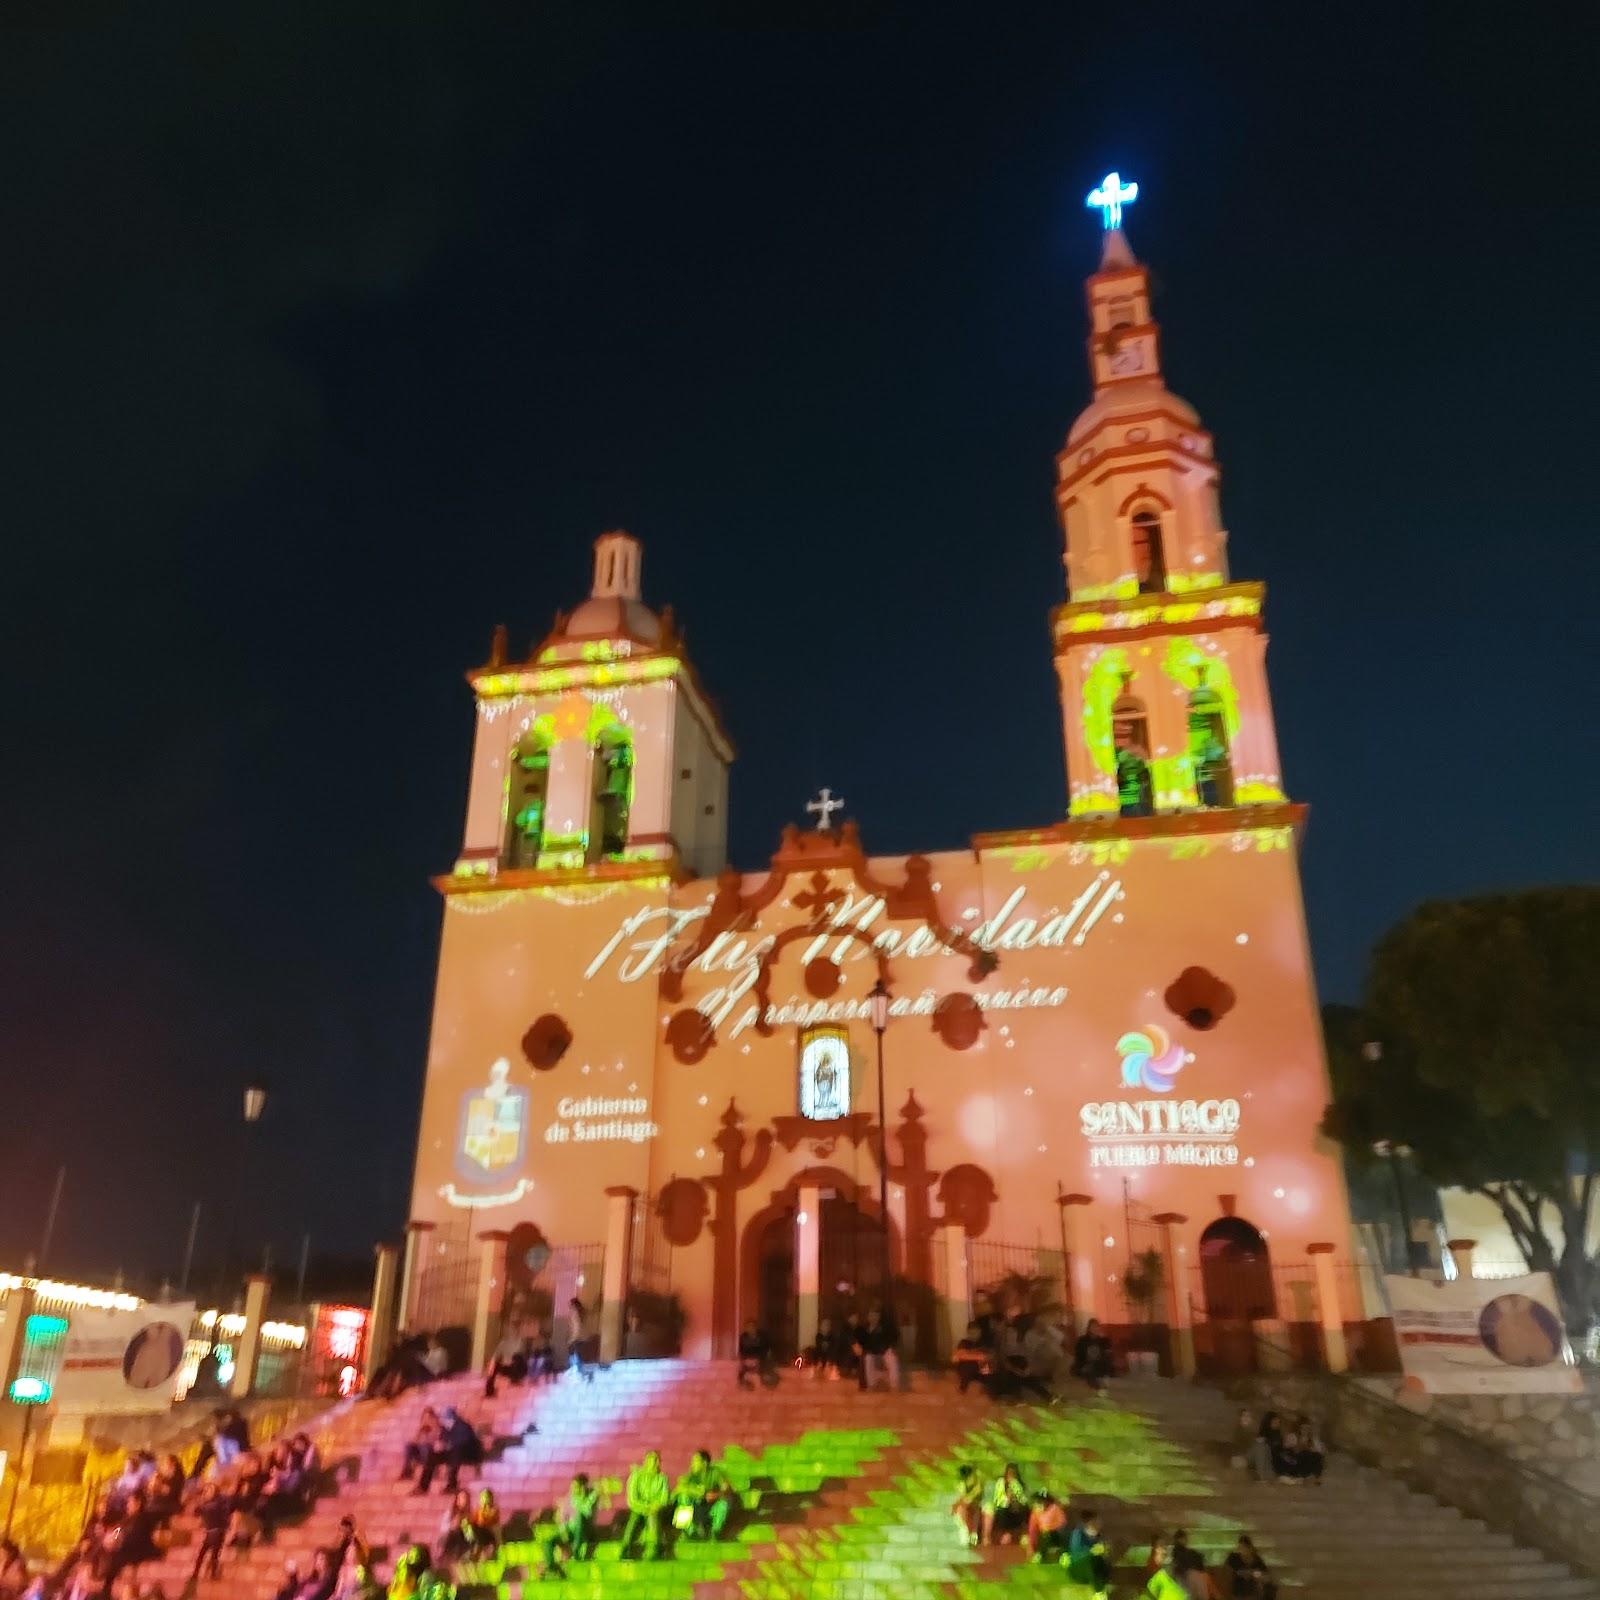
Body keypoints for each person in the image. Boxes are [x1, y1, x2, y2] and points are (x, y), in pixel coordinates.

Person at [538, 1474, 603, 1578]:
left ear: (583, 1487)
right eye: (572, 1486)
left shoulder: (593, 1495)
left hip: (586, 1531)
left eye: (576, 1487)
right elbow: (563, 1516)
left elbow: (587, 1512)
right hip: (571, 1530)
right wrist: (563, 1530)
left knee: (579, 1516)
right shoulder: (570, 1497)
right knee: (548, 1541)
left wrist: (581, 1497)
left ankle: (576, 1551)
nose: (573, 1489)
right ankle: (552, 1567)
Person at [414, 1408, 484, 1494]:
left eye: (443, 1419)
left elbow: (463, 1442)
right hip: (452, 1453)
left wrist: (446, 1445)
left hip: (467, 1454)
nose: (441, 1421)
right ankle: (422, 1487)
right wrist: (440, 1445)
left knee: (456, 1452)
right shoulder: (445, 1429)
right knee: (432, 1456)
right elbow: (444, 1441)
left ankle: (452, 1485)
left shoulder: (462, 1426)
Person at [619, 1449, 670, 1559]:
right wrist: (645, 1507)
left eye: (658, 1460)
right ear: (646, 1462)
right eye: (654, 1460)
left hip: (655, 1509)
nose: (657, 1463)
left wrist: (654, 1507)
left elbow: (664, 1498)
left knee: (653, 1517)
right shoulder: (636, 1476)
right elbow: (632, 1499)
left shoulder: (662, 1478)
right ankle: (625, 1548)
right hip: (638, 1508)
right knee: (634, 1518)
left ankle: (654, 1549)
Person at [673, 1449, 731, 1541]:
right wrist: (697, 1492)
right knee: (682, 1497)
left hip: (711, 1507)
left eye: (695, 1461)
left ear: (704, 1463)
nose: (692, 1464)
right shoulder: (691, 1475)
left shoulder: (715, 1473)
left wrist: (716, 1495)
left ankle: (715, 1532)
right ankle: (689, 1531)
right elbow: (680, 1488)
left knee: (724, 1503)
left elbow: (727, 1489)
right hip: (696, 1508)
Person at [189, 1482, 233, 1585]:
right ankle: (197, 1573)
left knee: (213, 1554)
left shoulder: (218, 1503)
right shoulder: (205, 1503)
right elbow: (196, 1512)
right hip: (209, 1531)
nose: (207, 1492)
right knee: (203, 1554)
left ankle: (212, 1573)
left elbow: (218, 1512)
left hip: (217, 1531)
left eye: (210, 1490)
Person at [1065, 1507, 1109, 1595]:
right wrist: (1092, 1551)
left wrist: (1104, 1551)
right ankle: (1099, 1592)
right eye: (1096, 1521)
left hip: (1093, 1573)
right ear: (1089, 1523)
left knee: (1100, 1563)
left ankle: (1100, 1589)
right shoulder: (1078, 1534)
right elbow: (1077, 1554)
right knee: (1090, 1561)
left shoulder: (1097, 1536)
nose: (1100, 1523)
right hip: (1078, 1571)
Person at [857, 1304, 900, 1392]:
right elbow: (863, 1345)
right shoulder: (864, 1329)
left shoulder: (884, 1328)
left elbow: (891, 1340)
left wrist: (887, 1349)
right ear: (868, 1316)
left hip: (884, 1353)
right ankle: (871, 1385)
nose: (873, 1318)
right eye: (871, 1315)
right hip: (871, 1354)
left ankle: (894, 1385)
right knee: (868, 1358)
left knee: (891, 1357)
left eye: (876, 1315)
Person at [983, 1463, 1029, 1545]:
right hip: (1003, 1509)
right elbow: (998, 1500)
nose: (1011, 1476)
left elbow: (1024, 1500)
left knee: (1024, 1509)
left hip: (1016, 1509)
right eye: (1009, 1473)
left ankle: (1024, 1535)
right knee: (1000, 1510)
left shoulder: (1018, 1484)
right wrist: (1007, 1498)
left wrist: (1016, 1498)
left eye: (1013, 1473)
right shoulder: (1001, 1483)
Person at [271, 1546, 341, 1600]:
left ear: (327, 1560)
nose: (318, 1562)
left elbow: (321, 1595)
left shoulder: (328, 1582)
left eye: (321, 1559)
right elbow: (296, 1588)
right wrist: (293, 1574)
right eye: (316, 1559)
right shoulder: (310, 1579)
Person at [1225, 1535, 1277, 1600]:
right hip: (1238, 1590)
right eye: (1241, 1547)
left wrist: (1254, 1574)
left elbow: (1264, 1575)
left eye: (1245, 1548)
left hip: (1253, 1591)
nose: (1242, 1551)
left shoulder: (1256, 1559)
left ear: (1250, 1548)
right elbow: (1234, 1571)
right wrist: (1252, 1573)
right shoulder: (1234, 1557)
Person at [483, 1323, 527, 1398]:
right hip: (506, 1366)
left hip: (517, 1368)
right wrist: (491, 1365)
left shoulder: (520, 1343)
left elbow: (521, 1357)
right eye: (508, 1330)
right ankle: (490, 1391)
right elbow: (495, 1356)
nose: (509, 1332)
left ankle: (515, 1378)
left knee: (517, 1357)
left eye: (512, 1331)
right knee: (494, 1364)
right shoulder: (502, 1343)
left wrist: (511, 1360)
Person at [1028, 1491, 1071, 1566]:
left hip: (1057, 1535)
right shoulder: (1035, 1513)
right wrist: (1032, 1548)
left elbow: (1063, 1524)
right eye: (1037, 1502)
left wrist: (1049, 1528)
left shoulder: (1055, 1509)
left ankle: (1064, 1555)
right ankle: (1040, 1554)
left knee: (1052, 1534)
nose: (1039, 1505)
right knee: (1043, 1535)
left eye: (1041, 1502)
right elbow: (1032, 1530)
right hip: (1044, 1537)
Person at [1072, 1318, 1113, 1393]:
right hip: (1086, 1364)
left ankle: (1101, 1382)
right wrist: (1082, 1365)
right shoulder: (1082, 1340)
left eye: (1096, 1326)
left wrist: (1103, 1339)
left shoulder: (1104, 1340)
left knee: (1103, 1363)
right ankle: (1098, 1387)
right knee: (1088, 1370)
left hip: (1099, 1363)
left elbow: (1108, 1353)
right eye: (1092, 1327)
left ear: (1099, 1328)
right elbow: (1078, 1355)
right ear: (1088, 1328)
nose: (1095, 1328)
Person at [399, 1408, 440, 1482]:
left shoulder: (437, 1428)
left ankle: (431, 1472)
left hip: (431, 1454)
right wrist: (420, 1432)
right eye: (425, 1417)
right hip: (421, 1453)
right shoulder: (422, 1429)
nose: (426, 1420)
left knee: (425, 1446)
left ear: (433, 1418)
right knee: (409, 1446)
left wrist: (431, 1430)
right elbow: (415, 1441)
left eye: (429, 1418)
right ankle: (408, 1472)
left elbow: (437, 1443)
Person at [952, 1322, 992, 1394]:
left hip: (980, 1371)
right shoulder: (964, 1342)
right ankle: (963, 1388)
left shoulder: (983, 1343)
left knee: (986, 1365)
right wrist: (978, 1357)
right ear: (968, 1332)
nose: (975, 1333)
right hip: (966, 1370)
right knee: (968, 1364)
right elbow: (960, 1356)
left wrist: (983, 1358)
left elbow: (988, 1356)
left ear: (980, 1331)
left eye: (977, 1331)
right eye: (972, 1331)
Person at [437, 1490, 474, 1562]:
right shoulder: (450, 1513)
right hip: (451, 1537)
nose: (465, 1501)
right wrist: (454, 1524)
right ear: (457, 1500)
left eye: (466, 1498)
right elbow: (444, 1529)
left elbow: (470, 1534)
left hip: (465, 1538)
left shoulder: (471, 1515)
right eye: (462, 1498)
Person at [950, 1465, 982, 1546]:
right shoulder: (962, 1486)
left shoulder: (974, 1485)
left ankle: (973, 1534)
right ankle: (968, 1535)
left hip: (971, 1512)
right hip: (961, 1513)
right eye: (972, 1476)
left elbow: (975, 1502)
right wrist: (975, 1492)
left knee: (976, 1510)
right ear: (967, 1478)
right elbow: (965, 1501)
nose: (974, 1478)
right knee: (963, 1511)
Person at [736, 1321, 773, 1389]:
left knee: (764, 1368)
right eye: (748, 1327)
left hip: (760, 1358)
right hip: (747, 1359)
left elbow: (765, 1349)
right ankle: (745, 1384)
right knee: (741, 1369)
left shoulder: (762, 1337)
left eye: (752, 1327)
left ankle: (766, 1383)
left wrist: (757, 1359)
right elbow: (741, 1350)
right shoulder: (743, 1337)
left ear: (755, 1328)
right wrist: (744, 1360)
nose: (750, 1329)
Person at [1287, 1417, 1324, 1484]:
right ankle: (1303, 1476)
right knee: (1304, 1454)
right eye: (1303, 1428)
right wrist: (1300, 1446)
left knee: (1317, 1455)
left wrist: (1310, 1448)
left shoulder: (1312, 1439)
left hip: (1308, 1458)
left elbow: (1318, 1450)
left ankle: (1316, 1476)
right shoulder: (1293, 1436)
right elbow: (1289, 1449)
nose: (1305, 1430)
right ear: (1299, 1428)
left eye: (1307, 1428)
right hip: (1296, 1459)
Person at [566, 1299, 595, 1381]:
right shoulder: (583, 1314)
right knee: (581, 1359)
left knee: (576, 1358)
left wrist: (572, 1339)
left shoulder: (575, 1314)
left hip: (578, 1340)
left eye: (570, 1306)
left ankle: (582, 1374)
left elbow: (577, 1329)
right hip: (586, 1339)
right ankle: (587, 1375)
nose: (570, 1308)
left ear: (574, 1306)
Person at [1249, 1412, 1281, 1481]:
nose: (1278, 1421)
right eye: (1275, 1419)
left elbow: (1277, 1450)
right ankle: (1260, 1475)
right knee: (1261, 1446)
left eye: (1278, 1420)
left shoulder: (1278, 1434)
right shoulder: (1263, 1433)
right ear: (1269, 1421)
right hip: (1255, 1458)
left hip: (1269, 1462)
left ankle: (1263, 1476)